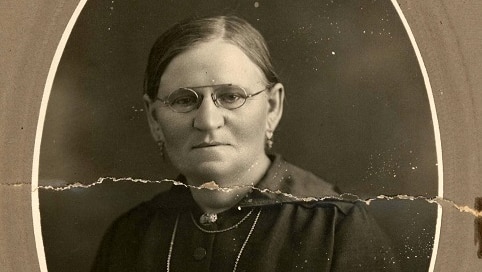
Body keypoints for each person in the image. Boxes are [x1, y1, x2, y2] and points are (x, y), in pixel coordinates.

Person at [92, 15, 400, 271]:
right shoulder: (129, 236)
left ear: (273, 107)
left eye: (230, 96)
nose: (208, 120)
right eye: (184, 100)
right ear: (154, 118)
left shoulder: (336, 229)